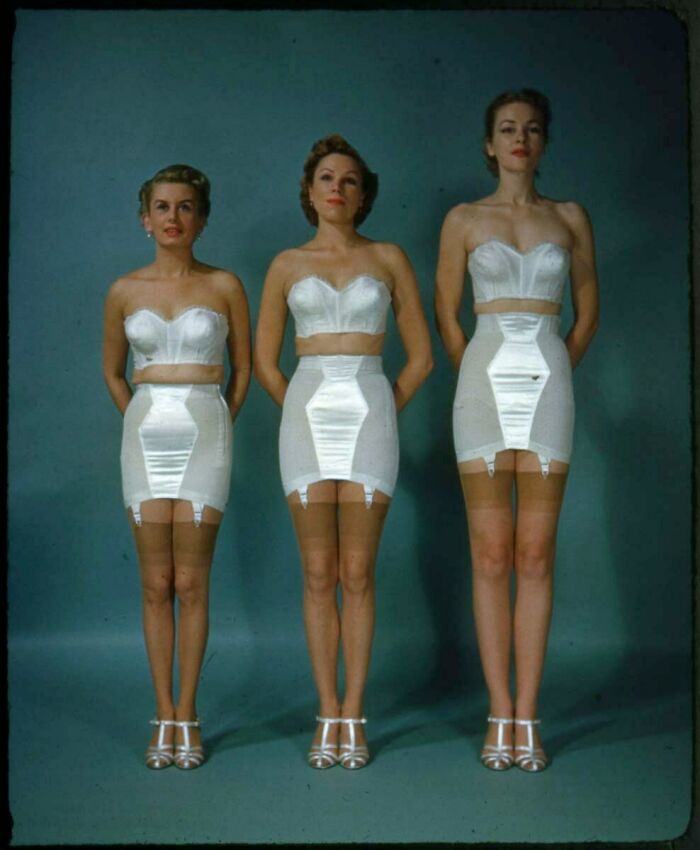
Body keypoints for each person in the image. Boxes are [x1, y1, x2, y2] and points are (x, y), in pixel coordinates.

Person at [254, 134, 432, 769]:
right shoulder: (284, 265)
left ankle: (354, 713)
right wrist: (302, 411)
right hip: (306, 415)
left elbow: (421, 357)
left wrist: (381, 404)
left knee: (357, 573)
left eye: (351, 180)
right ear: (308, 192)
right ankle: (324, 709)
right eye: (327, 178)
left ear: (364, 194)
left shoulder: (388, 257)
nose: (338, 188)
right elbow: (263, 362)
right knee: (317, 573)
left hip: (369, 415)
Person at [435, 90, 599, 772]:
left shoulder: (570, 217)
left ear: (545, 141)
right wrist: (476, 368)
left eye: (532, 129)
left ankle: (527, 715)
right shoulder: (465, 219)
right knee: (491, 555)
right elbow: (446, 312)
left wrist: (555, 365)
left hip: (550, 383)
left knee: (535, 554)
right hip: (483, 378)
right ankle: (496, 711)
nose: (520, 139)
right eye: (507, 129)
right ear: (489, 143)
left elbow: (586, 312)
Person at [103, 164, 251, 769]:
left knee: (191, 582)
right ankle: (161, 714)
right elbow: (114, 372)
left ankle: (188, 713)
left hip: (205, 429)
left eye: (185, 207)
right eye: (162, 207)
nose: (173, 217)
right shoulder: (124, 290)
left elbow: (242, 372)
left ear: (202, 218)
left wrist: (216, 416)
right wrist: (139, 414)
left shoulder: (225, 287)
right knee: (154, 583)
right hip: (144, 435)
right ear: (145, 219)